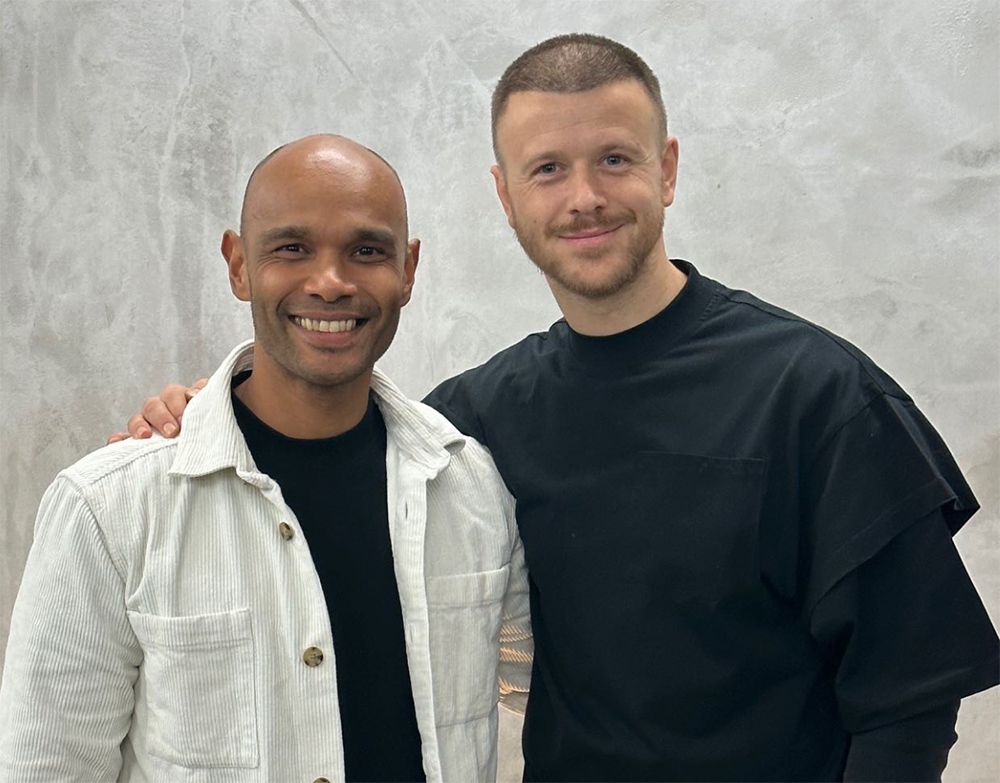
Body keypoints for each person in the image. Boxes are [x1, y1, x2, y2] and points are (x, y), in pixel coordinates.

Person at [114, 35, 999, 782]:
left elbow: (909, 703)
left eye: (614, 158)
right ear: (506, 195)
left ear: (667, 169)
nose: (584, 198)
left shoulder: (816, 395)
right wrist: (203, 414)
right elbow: (322, 464)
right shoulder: (476, 420)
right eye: (547, 169)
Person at [0, 134, 532, 782]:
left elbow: (544, 685)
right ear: (238, 265)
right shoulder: (108, 508)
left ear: (408, 270)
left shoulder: (471, 487)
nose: (330, 282)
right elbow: (47, 766)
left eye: (367, 251)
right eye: (292, 248)